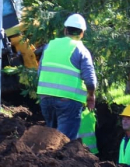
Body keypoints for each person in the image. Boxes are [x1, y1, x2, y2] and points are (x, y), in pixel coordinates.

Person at [37, 13, 97, 141]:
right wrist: (90, 96)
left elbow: (40, 72)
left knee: (50, 139)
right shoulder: (81, 50)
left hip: (45, 99)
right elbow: (90, 81)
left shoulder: (49, 46)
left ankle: (46, 160)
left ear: (65, 30)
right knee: (63, 143)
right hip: (68, 102)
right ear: (82, 33)